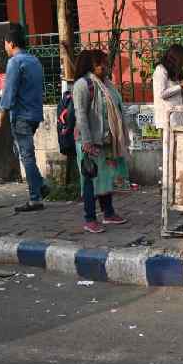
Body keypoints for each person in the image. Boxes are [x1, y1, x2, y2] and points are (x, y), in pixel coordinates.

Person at [73, 50, 131, 233]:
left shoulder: (107, 84)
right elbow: (81, 114)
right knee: (90, 180)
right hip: (89, 141)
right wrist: (87, 141)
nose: (105, 67)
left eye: (105, 63)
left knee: (106, 178)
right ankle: (90, 218)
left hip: (106, 140)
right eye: (100, 64)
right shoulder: (82, 85)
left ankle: (108, 213)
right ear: (91, 65)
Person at [0, 23, 47, 213]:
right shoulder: (34, 61)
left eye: (5, 44)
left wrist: (0, 119)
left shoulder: (15, 62)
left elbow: (9, 93)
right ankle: (40, 185)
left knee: (27, 156)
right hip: (35, 115)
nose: (5, 48)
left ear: (12, 43)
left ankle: (35, 198)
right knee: (23, 152)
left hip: (22, 116)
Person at [152, 44, 183, 131]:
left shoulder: (172, 72)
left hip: (177, 119)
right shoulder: (160, 70)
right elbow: (161, 94)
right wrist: (180, 86)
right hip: (167, 121)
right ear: (177, 58)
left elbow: (175, 98)